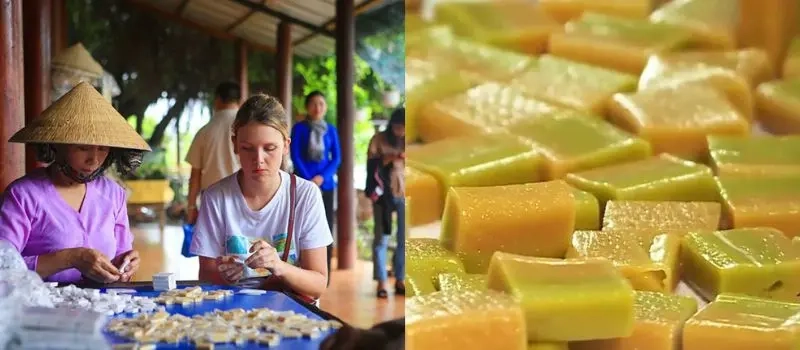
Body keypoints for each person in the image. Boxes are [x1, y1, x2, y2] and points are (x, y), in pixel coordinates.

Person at [0, 82, 150, 284]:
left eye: (103, 149)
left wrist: (126, 264)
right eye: (83, 148)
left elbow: (121, 254)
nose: (94, 160)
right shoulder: (23, 195)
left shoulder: (113, 194)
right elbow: (3, 268)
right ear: (56, 145)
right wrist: (71, 258)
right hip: (38, 302)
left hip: (103, 301)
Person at [190, 94, 333, 302]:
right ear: (235, 144)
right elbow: (206, 275)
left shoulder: (305, 195)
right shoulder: (216, 197)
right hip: (234, 311)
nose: (258, 160)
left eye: (269, 148)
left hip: (290, 312)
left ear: (286, 145)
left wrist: (279, 266)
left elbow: (318, 284)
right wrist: (225, 276)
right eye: (247, 148)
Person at [289, 91, 341, 284]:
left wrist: (321, 177)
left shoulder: (331, 130)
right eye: (313, 103)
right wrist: (309, 180)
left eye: (321, 104)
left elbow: (336, 158)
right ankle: (301, 272)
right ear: (307, 107)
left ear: (325, 107)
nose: (317, 108)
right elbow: (295, 155)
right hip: (303, 184)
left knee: (325, 228)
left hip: (325, 185)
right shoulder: (299, 128)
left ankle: (323, 275)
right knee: (300, 226)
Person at [185, 81, 242, 224]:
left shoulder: (204, 132)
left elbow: (195, 176)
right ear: (240, 100)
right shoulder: (247, 128)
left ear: (217, 100)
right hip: (243, 197)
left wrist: (191, 207)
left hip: (212, 200)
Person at [364, 108, 405, 298]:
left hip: (406, 194)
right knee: (381, 238)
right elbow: (372, 165)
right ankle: (381, 281)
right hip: (383, 196)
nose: (401, 131)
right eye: (398, 127)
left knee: (404, 239)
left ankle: (400, 278)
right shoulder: (378, 139)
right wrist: (392, 157)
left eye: (404, 128)